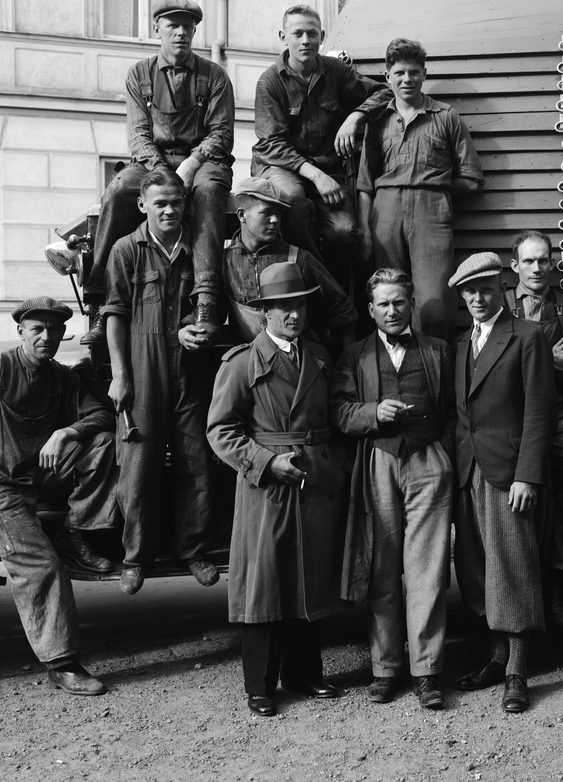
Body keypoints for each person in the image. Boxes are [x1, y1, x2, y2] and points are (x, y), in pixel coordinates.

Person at [0, 297, 117, 695]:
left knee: (102, 441)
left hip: (39, 479)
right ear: (21, 332)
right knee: (41, 565)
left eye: (54, 330)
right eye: (37, 329)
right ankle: (62, 663)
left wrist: (66, 432)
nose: (46, 336)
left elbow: (102, 415)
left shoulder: (61, 377)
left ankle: (76, 532)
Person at [207, 262, 350, 716]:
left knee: (310, 576)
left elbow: (335, 418)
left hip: (315, 480)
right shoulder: (242, 362)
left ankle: (304, 674)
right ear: (264, 312)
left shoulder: (319, 355)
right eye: (283, 307)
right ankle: (261, 686)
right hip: (267, 487)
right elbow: (220, 430)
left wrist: (334, 465)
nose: (293, 314)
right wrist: (267, 463)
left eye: (300, 305)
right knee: (266, 582)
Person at [330, 269, 456, 711]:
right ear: (370, 309)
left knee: (427, 571)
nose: (392, 310)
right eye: (383, 303)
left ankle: (426, 671)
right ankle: (385, 668)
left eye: (399, 301)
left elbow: (454, 411)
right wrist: (372, 412)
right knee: (382, 568)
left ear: (411, 304)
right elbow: (338, 411)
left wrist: (444, 455)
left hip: (429, 460)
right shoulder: (355, 354)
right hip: (378, 460)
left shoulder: (438, 350)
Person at [83, 0, 235, 344]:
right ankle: (102, 303)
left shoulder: (214, 76)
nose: (181, 33)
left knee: (208, 191)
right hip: (153, 160)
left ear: (194, 31)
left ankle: (206, 301)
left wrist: (192, 163)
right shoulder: (139, 74)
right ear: (158, 29)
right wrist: (163, 173)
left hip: (203, 161)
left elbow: (221, 134)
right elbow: (138, 135)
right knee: (119, 190)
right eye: (173, 26)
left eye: (187, 27)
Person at [102, 169, 218, 595]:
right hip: (142, 366)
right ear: (142, 205)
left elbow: (213, 302)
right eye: (160, 203)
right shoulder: (125, 249)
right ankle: (135, 558)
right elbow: (115, 315)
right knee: (139, 467)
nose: (170, 210)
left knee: (195, 462)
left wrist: (196, 327)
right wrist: (120, 374)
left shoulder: (199, 249)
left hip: (190, 367)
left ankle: (194, 551)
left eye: (176, 202)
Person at [449, 252, 556, 713]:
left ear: (501, 289)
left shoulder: (527, 336)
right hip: (468, 470)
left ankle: (517, 671)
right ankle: (495, 659)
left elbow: (540, 411)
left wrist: (527, 475)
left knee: (512, 567)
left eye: (486, 290)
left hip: (509, 473)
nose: (478, 298)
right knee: (477, 568)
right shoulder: (461, 343)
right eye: (469, 291)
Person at [250, 5, 391, 281]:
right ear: (283, 37)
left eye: (312, 34)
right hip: (282, 166)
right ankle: (318, 288)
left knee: (344, 233)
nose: (305, 40)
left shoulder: (336, 71)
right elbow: (273, 145)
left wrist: (356, 116)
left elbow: (384, 94)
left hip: (328, 168)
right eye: (298, 34)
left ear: (322, 36)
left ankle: (325, 287)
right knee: (292, 203)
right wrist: (316, 176)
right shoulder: (270, 82)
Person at [357, 38, 484, 342]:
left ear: (424, 74)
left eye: (414, 72)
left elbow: (472, 179)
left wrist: (434, 186)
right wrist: (364, 231)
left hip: (431, 211)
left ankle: (434, 367)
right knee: (388, 297)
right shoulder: (377, 122)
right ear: (387, 76)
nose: (407, 79)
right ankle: (394, 363)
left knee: (434, 303)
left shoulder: (446, 117)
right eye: (399, 73)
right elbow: (364, 183)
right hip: (385, 213)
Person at [504, 230, 563, 627]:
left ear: (552, 264)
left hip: (557, 411)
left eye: (543, 260)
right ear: (515, 266)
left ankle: (558, 575)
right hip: (514, 414)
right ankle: (530, 581)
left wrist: (525, 357)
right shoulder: (502, 303)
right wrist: (546, 355)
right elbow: (494, 362)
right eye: (529, 261)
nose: (536, 268)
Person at [222, 175, 358, 355]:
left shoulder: (297, 257)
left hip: (304, 356)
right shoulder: (226, 261)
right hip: (254, 357)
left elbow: (341, 308)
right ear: (242, 215)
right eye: (266, 212)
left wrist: (349, 362)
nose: (275, 220)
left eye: (278, 213)